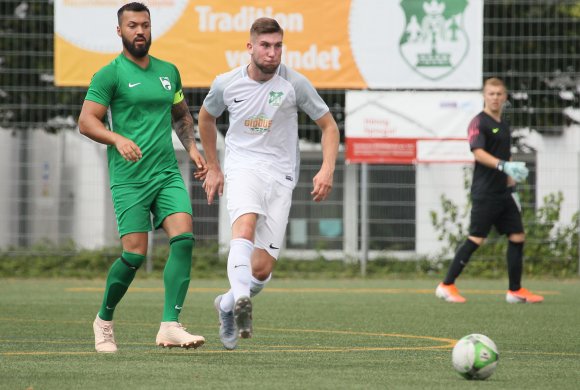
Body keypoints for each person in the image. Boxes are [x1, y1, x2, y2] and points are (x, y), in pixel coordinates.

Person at [198, 17, 340, 350]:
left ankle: (229, 304)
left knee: (260, 269)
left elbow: (329, 127)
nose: (272, 53)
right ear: (250, 47)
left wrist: (327, 169)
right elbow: (206, 118)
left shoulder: (295, 84)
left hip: (281, 175)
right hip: (242, 167)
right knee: (243, 228)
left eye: (278, 46)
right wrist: (215, 167)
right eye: (265, 45)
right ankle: (244, 302)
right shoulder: (226, 83)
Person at [78, 2, 207, 353]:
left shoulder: (169, 71)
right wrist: (117, 138)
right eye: (132, 25)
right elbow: (86, 121)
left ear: (151, 29)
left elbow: (181, 115)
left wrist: (192, 149)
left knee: (183, 238)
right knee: (134, 255)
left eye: (145, 25)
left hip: (166, 172)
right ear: (119, 31)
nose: (140, 31)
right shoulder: (110, 74)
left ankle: (170, 325)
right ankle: (104, 321)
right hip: (130, 178)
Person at [435, 77, 544, 304]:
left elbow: (506, 156)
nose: (495, 98)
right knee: (476, 238)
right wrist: (503, 165)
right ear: (484, 96)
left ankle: (515, 291)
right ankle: (446, 285)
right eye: (491, 93)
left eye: (499, 94)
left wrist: (512, 182)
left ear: (505, 97)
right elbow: (478, 152)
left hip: (504, 193)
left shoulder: (503, 125)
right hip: (485, 192)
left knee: (517, 236)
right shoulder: (479, 123)